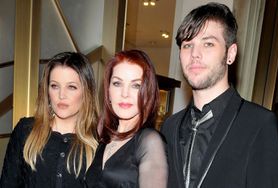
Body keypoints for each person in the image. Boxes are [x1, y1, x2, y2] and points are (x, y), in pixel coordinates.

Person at [161, 2, 278, 188]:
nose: (195, 54)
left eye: (208, 43)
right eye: (187, 45)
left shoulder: (259, 124)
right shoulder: (170, 127)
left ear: (230, 53)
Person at [0, 52, 100, 187]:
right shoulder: (26, 130)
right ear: (47, 90)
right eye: (54, 86)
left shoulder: (99, 139)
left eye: (71, 87)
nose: (61, 95)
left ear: (86, 92)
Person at [85, 49, 168, 188]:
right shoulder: (103, 136)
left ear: (148, 93)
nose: (125, 94)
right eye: (117, 83)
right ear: (108, 91)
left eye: (136, 85)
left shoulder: (150, 142)